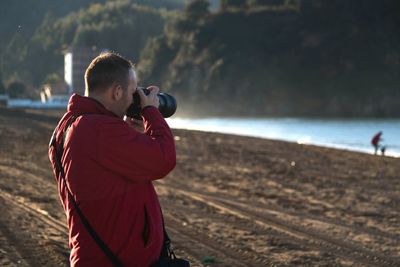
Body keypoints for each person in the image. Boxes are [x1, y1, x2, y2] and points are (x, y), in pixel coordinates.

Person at [48, 52, 176, 267]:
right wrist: (151, 111)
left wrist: (130, 130)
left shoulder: (70, 125)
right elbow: (163, 159)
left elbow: (105, 170)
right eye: (132, 91)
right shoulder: (97, 129)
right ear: (117, 92)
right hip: (113, 260)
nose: (135, 97)